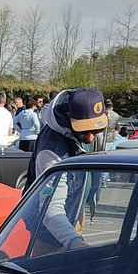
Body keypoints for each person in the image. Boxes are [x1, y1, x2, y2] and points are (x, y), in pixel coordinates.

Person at [23, 88, 107, 249]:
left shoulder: (92, 128)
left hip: (75, 211)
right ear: (69, 117)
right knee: (48, 262)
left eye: (97, 130)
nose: (90, 138)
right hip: (47, 228)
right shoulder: (51, 150)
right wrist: (75, 243)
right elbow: (51, 209)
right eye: (83, 131)